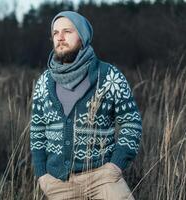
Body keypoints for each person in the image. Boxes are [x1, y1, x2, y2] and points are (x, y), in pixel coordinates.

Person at [29, 11, 142, 200]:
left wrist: (115, 165)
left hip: (103, 179)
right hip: (58, 184)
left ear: (82, 37)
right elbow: (37, 130)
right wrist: (42, 176)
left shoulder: (109, 76)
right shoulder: (44, 82)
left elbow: (131, 123)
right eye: (56, 33)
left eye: (67, 31)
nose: (60, 38)